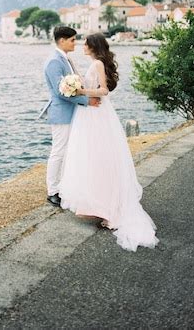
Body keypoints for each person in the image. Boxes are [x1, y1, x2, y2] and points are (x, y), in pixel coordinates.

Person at [59, 33, 159, 252]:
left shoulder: (97, 64)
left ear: (93, 46)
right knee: (96, 159)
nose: (82, 46)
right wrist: (75, 81)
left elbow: (104, 91)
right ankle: (101, 204)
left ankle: (110, 209)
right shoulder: (94, 63)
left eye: (85, 43)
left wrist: (81, 90)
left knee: (99, 158)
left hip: (97, 115)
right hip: (92, 114)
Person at [43, 26, 100, 208]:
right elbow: (61, 92)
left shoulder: (64, 59)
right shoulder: (54, 61)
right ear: (62, 41)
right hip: (61, 113)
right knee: (58, 152)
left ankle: (62, 187)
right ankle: (52, 192)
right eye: (72, 40)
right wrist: (86, 101)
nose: (75, 43)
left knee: (68, 151)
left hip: (70, 112)